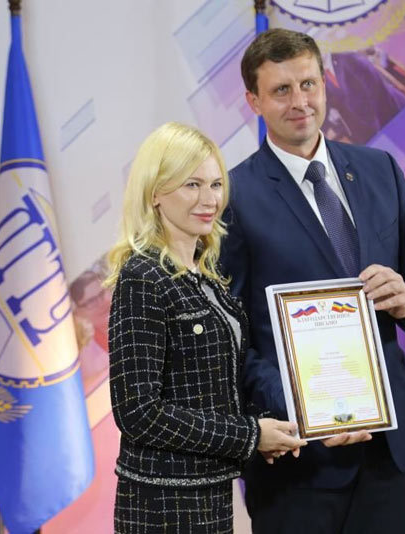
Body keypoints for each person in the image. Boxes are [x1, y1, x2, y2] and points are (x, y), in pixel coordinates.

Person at [220, 29, 405, 533]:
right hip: (296, 460)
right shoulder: (233, 195)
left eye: (308, 84)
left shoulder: (379, 169)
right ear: (253, 101)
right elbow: (230, 335)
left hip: (387, 451)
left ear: (325, 84)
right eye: (281, 90)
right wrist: (299, 408)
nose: (299, 101)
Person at [105, 122, 306, 534]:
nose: (209, 199)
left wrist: (262, 432)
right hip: (162, 506)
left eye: (215, 184)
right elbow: (138, 412)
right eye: (192, 185)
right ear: (155, 192)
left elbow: (214, 386)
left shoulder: (208, 277)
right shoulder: (143, 277)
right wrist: (249, 436)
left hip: (210, 495)